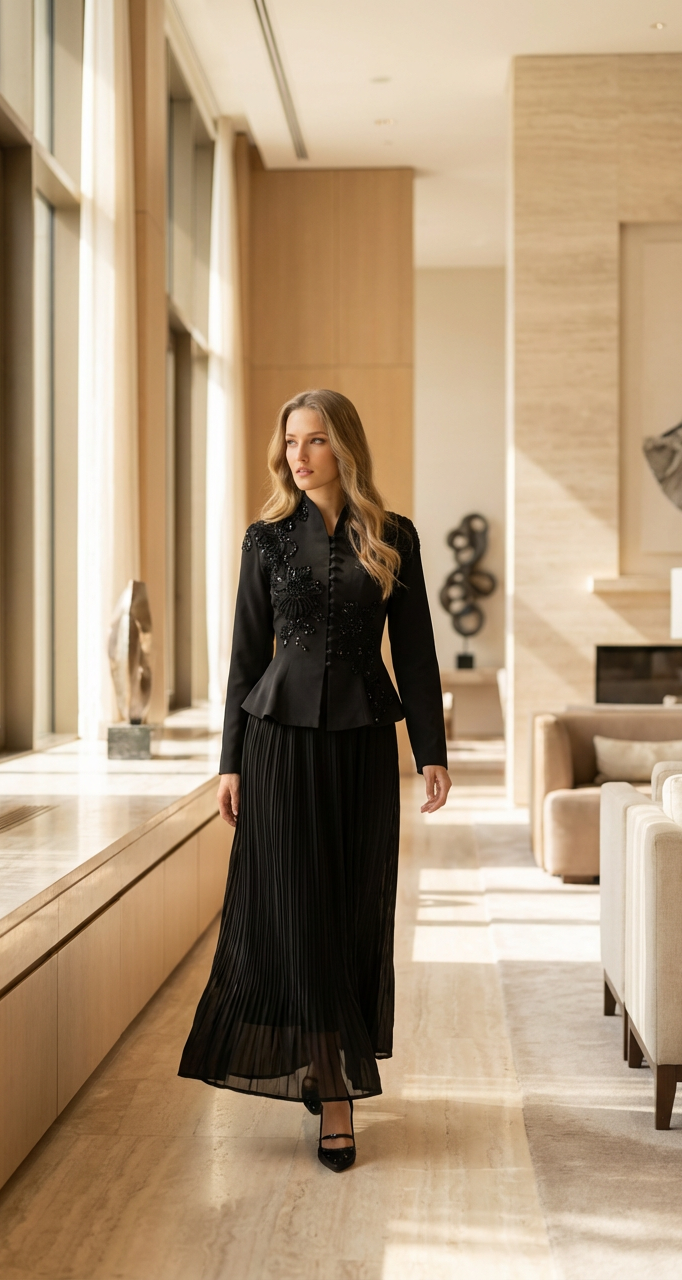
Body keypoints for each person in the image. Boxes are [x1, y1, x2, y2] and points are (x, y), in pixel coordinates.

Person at [178, 388, 450, 1172]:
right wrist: (228, 760)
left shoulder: (394, 537)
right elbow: (243, 658)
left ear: (345, 448)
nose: (299, 455)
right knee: (296, 911)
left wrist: (430, 750)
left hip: (364, 748)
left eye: (316, 441)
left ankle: (327, 1057)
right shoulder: (263, 541)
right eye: (291, 441)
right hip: (279, 749)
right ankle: (332, 1088)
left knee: (347, 908)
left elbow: (420, 655)